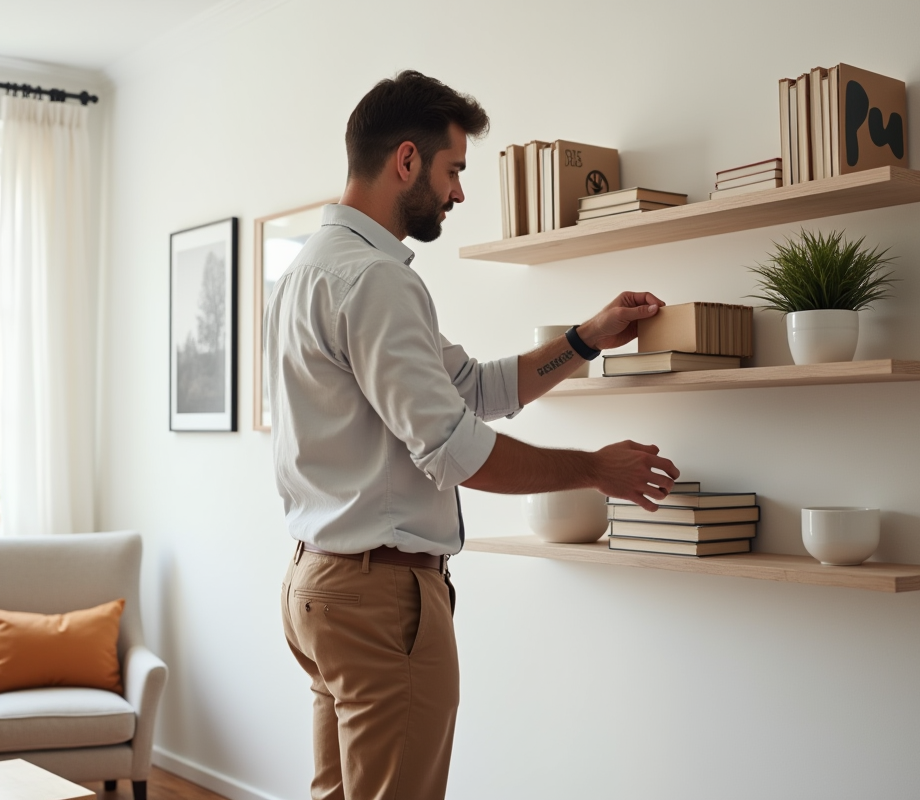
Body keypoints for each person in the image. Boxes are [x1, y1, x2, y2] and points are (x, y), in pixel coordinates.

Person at [265, 70, 680, 800]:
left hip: (317, 587)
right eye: (453, 170)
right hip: (378, 600)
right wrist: (594, 470)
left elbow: (474, 388)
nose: (458, 193)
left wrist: (586, 338)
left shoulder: (309, 271)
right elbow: (455, 450)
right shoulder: (375, 281)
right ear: (407, 160)